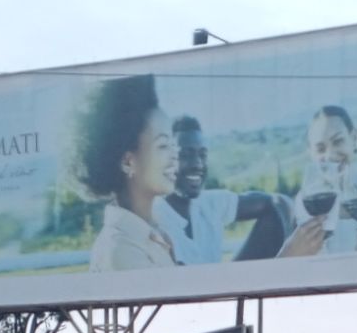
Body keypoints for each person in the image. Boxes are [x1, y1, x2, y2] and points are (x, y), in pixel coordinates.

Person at [77, 74, 179, 271]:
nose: (175, 155)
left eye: (173, 144)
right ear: (127, 162)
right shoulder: (120, 249)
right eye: (163, 145)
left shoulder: (153, 233)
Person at [158, 115, 286, 263]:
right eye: (185, 155)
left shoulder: (210, 203)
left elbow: (273, 203)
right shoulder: (154, 219)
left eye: (202, 155)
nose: (198, 164)